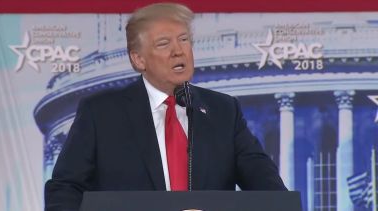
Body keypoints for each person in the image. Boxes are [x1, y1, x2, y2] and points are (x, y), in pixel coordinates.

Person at [45, 2, 287, 210]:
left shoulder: (224, 111)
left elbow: (271, 193)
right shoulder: (101, 114)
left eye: (184, 40)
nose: (178, 51)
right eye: (163, 44)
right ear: (138, 59)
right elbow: (65, 190)